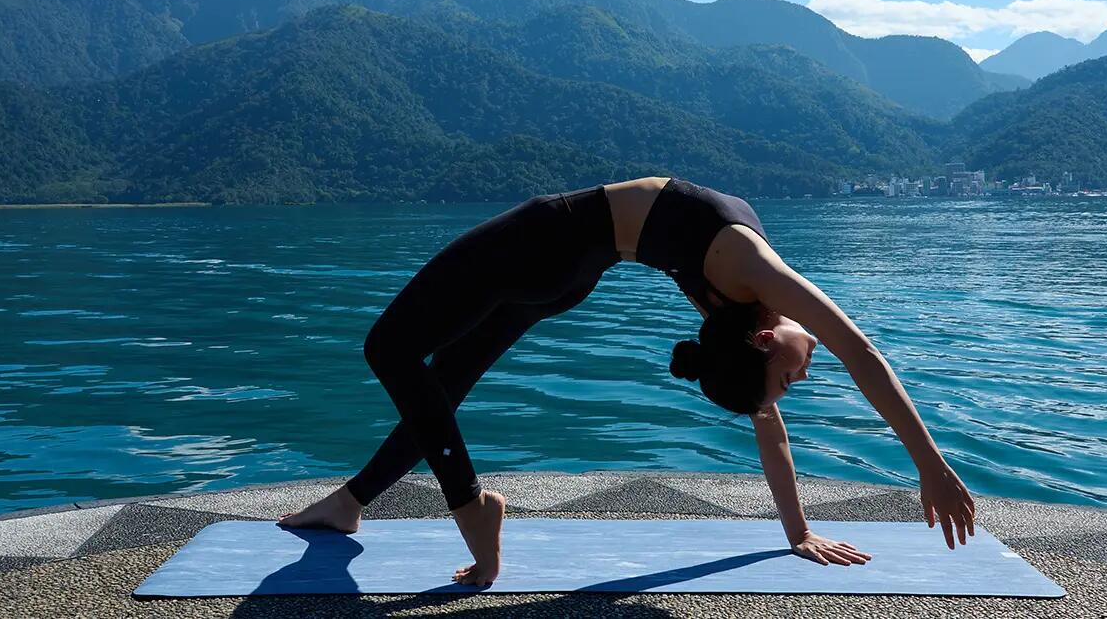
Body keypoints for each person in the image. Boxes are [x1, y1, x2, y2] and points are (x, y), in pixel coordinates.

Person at [278, 176, 977, 586]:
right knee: (444, 380)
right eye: (794, 375)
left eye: (794, 374)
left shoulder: (744, 287)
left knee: (388, 350)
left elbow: (821, 374)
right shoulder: (743, 292)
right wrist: (928, 466)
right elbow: (842, 362)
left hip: (550, 244)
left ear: (760, 338)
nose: (807, 367)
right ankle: (353, 501)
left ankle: (468, 508)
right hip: (567, 279)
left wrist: (800, 529)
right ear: (763, 339)